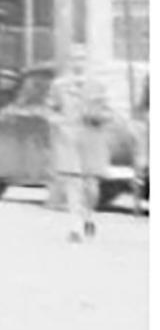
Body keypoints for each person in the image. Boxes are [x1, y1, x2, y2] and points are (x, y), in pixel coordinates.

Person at [46, 49, 115, 242]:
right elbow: (50, 108)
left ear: (87, 62)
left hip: (92, 141)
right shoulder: (59, 86)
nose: (79, 63)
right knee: (73, 183)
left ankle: (87, 216)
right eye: (75, 59)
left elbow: (109, 113)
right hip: (69, 141)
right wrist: (58, 122)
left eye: (82, 59)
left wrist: (98, 116)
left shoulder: (98, 86)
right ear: (70, 62)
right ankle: (75, 226)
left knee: (92, 188)